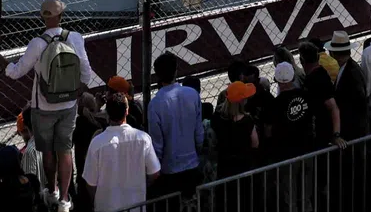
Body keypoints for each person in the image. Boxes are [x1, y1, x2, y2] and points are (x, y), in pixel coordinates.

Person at [0, 0, 103, 212]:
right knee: (65, 151)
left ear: (42, 18)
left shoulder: (37, 43)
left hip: (43, 106)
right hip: (69, 106)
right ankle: (65, 200)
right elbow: (86, 75)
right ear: (61, 15)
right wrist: (73, 95)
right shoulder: (76, 38)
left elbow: (15, 72)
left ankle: (52, 190)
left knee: (48, 152)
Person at [81, 92, 160, 212]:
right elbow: (154, 172)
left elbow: (90, 184)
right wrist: (141, 187)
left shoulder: (97, 143)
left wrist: (97, 201)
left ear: (107, 114)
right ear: (127, 111)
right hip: (136, 207)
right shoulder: (143, 139)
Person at [146, 52, 204, 197]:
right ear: (176, 70)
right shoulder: (192, 94)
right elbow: (199, 133)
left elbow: (157, 143)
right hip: (192, 164)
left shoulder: (155, 104)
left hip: (169, 169)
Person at [264, 61, 316, 159]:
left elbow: (268, 130)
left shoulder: (274, 104)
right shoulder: (306, 95)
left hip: (285, 150)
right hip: (307, 144)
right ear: (293, 78)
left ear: (276, 80)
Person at [213, 81, 262, 178]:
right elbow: (255, 143)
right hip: (243, 164)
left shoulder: (217, 117)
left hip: (224, 164)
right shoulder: (246, 120)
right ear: (243, 101)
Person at [329, 31, 370, 137]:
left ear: (333, 54)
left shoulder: (351, 73)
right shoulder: (348, 68)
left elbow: (359, 104)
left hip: (353, 131)